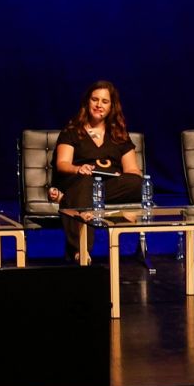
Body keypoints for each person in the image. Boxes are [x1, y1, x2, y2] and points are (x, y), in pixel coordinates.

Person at [55, 80, 145, 261]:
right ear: (87, 102)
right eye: (95, 100)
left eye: (104, 101)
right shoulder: (73, 131)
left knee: (138, 183)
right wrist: (78, 168)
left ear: (112, 107)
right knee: (86, 184)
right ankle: (82, 249)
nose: (98, 105)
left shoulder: (119, 134)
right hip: (82, 180)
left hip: (109, 187)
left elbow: (133, 171)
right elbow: (62, 163)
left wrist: (122, 176)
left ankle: (68, 198)